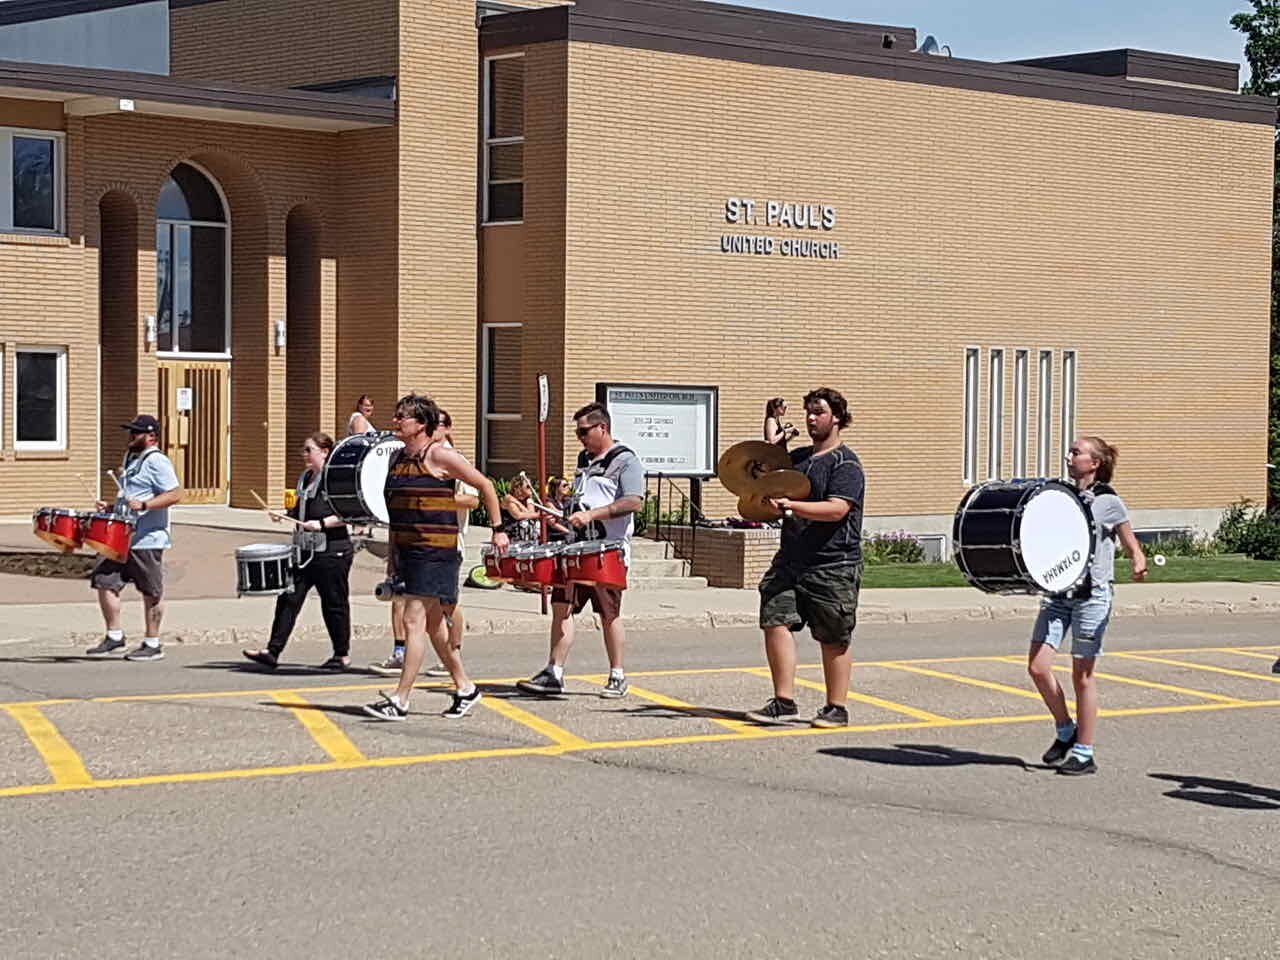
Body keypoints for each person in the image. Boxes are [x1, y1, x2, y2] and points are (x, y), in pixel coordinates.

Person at [363, 394, 508, 721]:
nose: (396, 421)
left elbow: (485, 486)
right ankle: (466, 688)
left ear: (422, 425)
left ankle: (400, 700)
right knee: (432, 625)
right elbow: (397, 512)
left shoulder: (440, 456)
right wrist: (393, 557)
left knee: (412, 620)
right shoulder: (397, 458)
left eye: (403, 417)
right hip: (409, 550)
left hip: (435, 552)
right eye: (396, 415)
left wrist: (498, 529)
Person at [744, 388, 865, 728]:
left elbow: (837, 509)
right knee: (774, 618)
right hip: (792, 560)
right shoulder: (799, 459)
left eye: (819, 412)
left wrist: (792, 506)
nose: (811, 418)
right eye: (808, 412)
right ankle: (784, 702)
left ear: (837, 418)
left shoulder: (846, 464)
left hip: (833, 563)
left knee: (833, 636)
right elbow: (770, 460)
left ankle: (836, 708)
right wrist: (770, 418)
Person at [1027, 436, 1147, 776]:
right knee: (1038, 667)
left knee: (1082, 675)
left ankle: (1084, 752)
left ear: (1094, 463)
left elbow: (1128, 539)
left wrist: (1138, 559)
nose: (1069, 456)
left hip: (1092, 596)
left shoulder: (1108, 500)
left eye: (1076, 452)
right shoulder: (1062, 497)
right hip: (1058, 595)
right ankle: (1066, 730)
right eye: (1071, 451)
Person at [516, 402, 644, 699]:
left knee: (608, 614)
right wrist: (561, 514)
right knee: (562, 607)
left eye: (584, 431)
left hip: (607, 551)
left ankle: (617, 675)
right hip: (575, 548)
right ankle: (554, 672)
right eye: (578, 432)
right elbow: (581, 500)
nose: (580, 437)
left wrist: (592, 515)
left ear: (603, 428)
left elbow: (634, 501)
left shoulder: (625, 460)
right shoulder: (584, 459)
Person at [368, 409, 479, 678]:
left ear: (447, 428)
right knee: (406, 604)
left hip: (444, 544)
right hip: (412, 546)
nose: (435, 428)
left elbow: (474, 498)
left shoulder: (450, 458)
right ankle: (403, 654)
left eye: (439, 424)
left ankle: (452, 655)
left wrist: (434, 499)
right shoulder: (409, 457)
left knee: (445, 606)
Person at [242, 432, 354, 670]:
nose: (304, 454)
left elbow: (350, 513)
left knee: (333, 603)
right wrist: (285, 515)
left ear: (324, 452)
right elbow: (302, 508)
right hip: (304, 551)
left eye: (308, 450)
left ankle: (341, 654)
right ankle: (272, 651)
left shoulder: (334, 478)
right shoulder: (305, 477)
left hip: (331, 551)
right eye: (304, 450)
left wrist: (322, 524)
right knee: (288, 598)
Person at [84, 415, 184, 661]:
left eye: (136, 433)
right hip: (120, 537)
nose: (130, 436)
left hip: (146, 538)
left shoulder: (157, 461)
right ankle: (114, 636)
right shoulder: (131, 458)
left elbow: (174, 494)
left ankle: (153, 642)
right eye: (130, 431)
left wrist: (145, 505)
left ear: (151, 436)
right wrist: (111, 508)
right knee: (104, 581)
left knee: (151, 590)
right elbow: (131, 495)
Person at [500, 472, 540, 542]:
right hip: (510, 538)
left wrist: (529, 500)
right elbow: (518, 515)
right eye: (528, 486)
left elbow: (531, 513)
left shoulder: (527, 500)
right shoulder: (509, 499)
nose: (531, 488)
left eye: (531, 486)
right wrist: (538, 515)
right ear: (518, 487)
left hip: (527, 538)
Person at [544, 475, 572, 541]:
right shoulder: (549, 502)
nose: (567, 487)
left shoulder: (568, 501)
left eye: (568, 485)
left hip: (567, 535)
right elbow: (557, 518)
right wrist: (569, 532)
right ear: (556, 488)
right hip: (555, 536)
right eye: (564, 485)